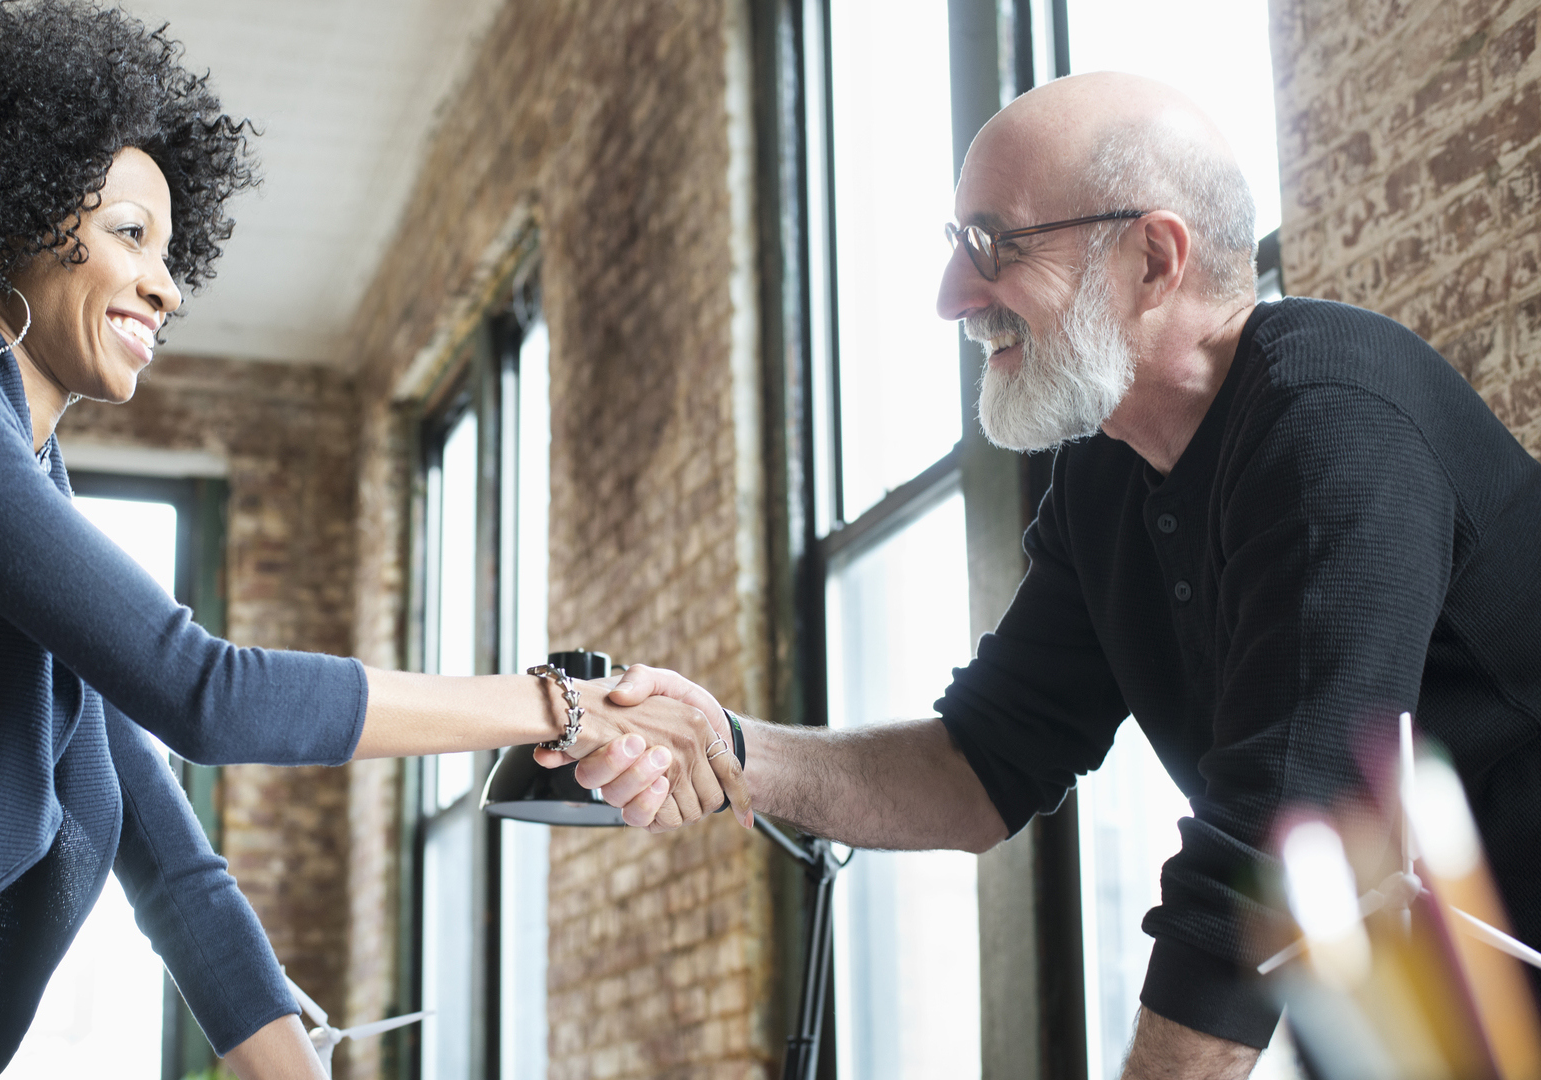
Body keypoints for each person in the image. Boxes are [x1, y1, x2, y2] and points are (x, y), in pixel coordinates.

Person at [0, 3, 745, 1078]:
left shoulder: (17, 514)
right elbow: (203, 691)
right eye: (129, 236)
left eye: (172, 252)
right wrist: (560, 702)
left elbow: (169, 858)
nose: (166, 285)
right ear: (10, 219)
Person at [596, 71, 1541, 1078]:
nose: (951, 298)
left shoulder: (1333, 417)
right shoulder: (1106, 480)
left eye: (995, 244)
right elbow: (979, 764)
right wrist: (732, 746)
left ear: (1152, 259)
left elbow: (1278, 836)